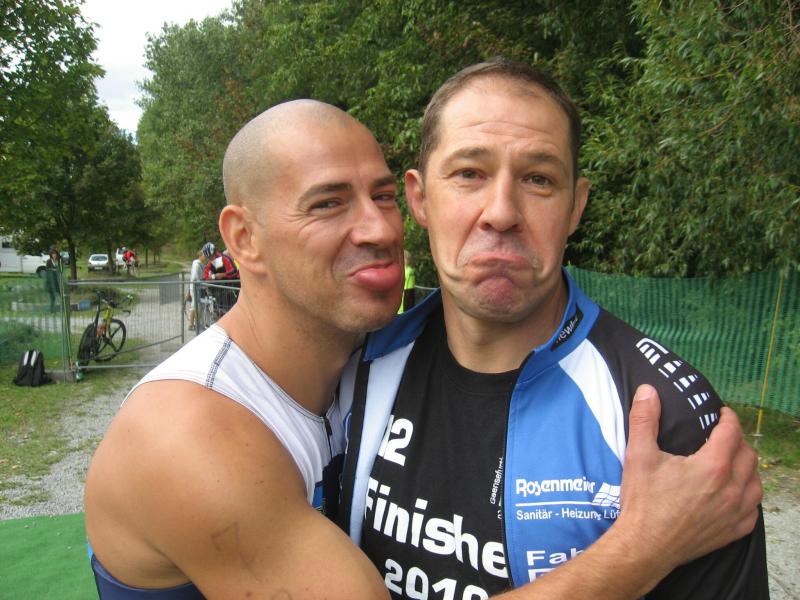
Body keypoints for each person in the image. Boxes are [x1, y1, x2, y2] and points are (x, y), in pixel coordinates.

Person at [84, 100, 760, 599]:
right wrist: (642, 547)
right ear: (244, 239)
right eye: (327, 204)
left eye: (382, 196)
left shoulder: (366, 362)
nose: (379, 229)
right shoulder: (188, 433)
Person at [338, 59, 768, 598]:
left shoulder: (665, 421)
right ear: (420, 198)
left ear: (575, 207)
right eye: (469, 173)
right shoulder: (350, 371)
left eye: (538, 179)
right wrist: (635, 555)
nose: (501, 213)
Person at [201, 241, 239, 314]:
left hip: (234, 287)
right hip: (221, 293)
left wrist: (222, 275)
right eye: (209, 258)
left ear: (215, 253)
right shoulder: (210, 264)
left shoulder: (225, 258)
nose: (211, 259)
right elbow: (206, 276)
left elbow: (234, 272)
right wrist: (212, 277)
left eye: (211, 257)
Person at [186, 249, 206, 329]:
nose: (206, 257)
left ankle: (195, 323)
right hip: (195, 287)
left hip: (198, 287)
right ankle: (191, 324)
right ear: (200, 256)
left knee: (197, 306)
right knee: (195, 305)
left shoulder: (200, 264)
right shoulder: (197, 265)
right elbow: (195, 277)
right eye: (204, 255)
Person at [44, 246, 62, 313]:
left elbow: (61, 270)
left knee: (61, 295)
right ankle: (52, 310)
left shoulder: (59, 261)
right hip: (51, 282)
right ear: (51, 255)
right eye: (53, 254)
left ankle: (64, 308)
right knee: (52, 297)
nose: (54, 255)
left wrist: (57, 270)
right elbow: (47, 270)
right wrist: (52, 270)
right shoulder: (49, 261)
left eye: (55, 254)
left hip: (57, 281)